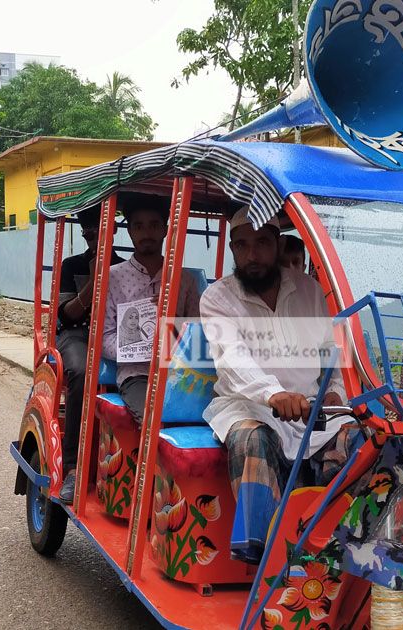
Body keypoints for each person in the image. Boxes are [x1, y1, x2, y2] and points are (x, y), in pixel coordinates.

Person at [200, 207, 353, 564]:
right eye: (242, 246)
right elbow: (232, 359)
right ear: (233, 249)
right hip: (246, 407)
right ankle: (264, 555)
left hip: (313, 410)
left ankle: (341, 543)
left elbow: (334, 353)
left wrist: (336, 392)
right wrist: (273, 394)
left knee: (357, 441)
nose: (252, 256)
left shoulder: (310, 291)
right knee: (251, 439)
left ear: (277, 243)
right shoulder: (218, 298)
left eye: (262, 244)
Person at [101, 193, 202, 421]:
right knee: (154, 420)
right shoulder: (112, 278)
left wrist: (172, 319)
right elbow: (104, 338)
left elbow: (197, 335)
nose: (147, 233)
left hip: (181, 373)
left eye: (154, 225)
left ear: (165, 230)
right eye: (139, 226)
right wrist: (136, 349)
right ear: (130, 232)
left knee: (208, 418)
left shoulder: (184, 280)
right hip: (136, 375)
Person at [56, 205, 123, 503]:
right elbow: (66, 316)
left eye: (103, 232)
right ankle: (72, 466)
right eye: (91, 233)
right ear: (84, 234)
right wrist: (93, 285)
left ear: (115, 232)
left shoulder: (126, 266)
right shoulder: (72, 266)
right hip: (77, 334)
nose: (96, 238)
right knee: (83, 372)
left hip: (117, 336)